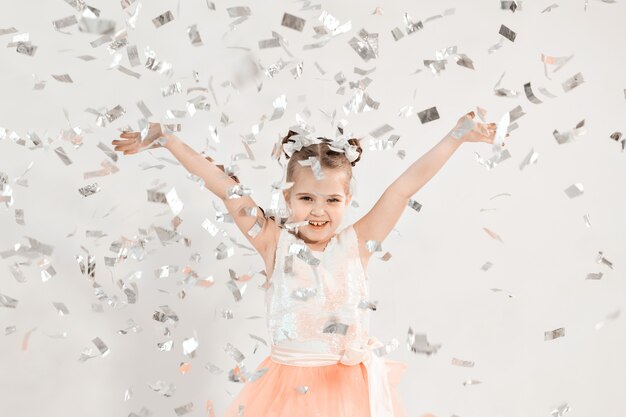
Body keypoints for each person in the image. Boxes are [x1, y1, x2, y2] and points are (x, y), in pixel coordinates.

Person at [112, 111, 508, 417]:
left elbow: (403, 188)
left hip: (349, 396)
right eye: (306, 199)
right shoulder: (273, 243)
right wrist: (168, 139)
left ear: (348, 200)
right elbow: (226, 189)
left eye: (332, 200)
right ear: (287, 198)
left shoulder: (357, 245)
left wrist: (455, 136)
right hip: (285, 394)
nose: (319, 211)